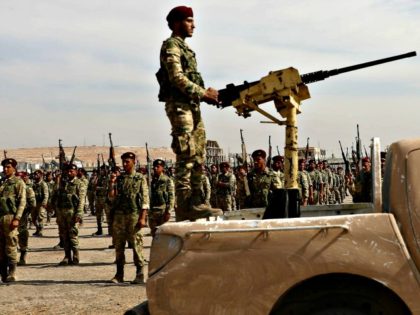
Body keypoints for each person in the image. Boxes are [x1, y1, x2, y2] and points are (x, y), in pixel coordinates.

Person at [157, 5, 221, 221]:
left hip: (192, 106)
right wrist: (204, 94)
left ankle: (197, 201)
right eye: (189, 20)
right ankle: (184, 206)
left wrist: (208, 94)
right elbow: (176, 77)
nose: (194, 25)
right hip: (180, 106)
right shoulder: (171, 46)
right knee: (186, 155)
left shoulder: (185, 49)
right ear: (177, 23)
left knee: (199, 154)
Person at [108, 152, 149, 284]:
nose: (124, 164)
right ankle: (119, 274)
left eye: (127, 162)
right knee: (119, 246)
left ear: (133, 162)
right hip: (120, 216)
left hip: (134, 215)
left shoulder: (140, 178)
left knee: (136, 245)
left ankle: (139, 273)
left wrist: (143, 218)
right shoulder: (120, 179)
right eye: (123, 162)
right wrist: (112, 183)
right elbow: (112, 197)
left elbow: (145, 199)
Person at [0, 158, 26, 282]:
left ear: (14, 168)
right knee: (0, 247)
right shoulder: (2, 182)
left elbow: (22, 202)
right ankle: (3, 273)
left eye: (8, 167)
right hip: (0, 217)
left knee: (10, 245)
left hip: (10, 217)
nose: (6, 169)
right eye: (4, 167)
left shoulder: (18, 182)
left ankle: (12, 272)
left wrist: (17, 218)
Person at [55, 164, 87, 266]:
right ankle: (67, 256)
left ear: (76, 172)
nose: (69, 173)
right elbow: (57, 195)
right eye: (68, 171)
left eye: (71, 171)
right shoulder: (63, 183)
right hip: (62, 213)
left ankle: (76, 256)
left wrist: (79, 214)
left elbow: (82, 200)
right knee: (64, 235)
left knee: (73, 234)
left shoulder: (79, 183)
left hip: (72, 213)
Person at [149, 159, 175, 237]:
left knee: (163, 234)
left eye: (158, 167)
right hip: (153, 210)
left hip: (162, 210)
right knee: (154, 233)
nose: (155, 168)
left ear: (162, 168)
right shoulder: (152, 180)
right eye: (154, 167)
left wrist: (169, 211)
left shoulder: (167, 180)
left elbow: (171, 196)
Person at [16, 171, 36, 266]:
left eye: (20, 178)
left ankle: (23, 256)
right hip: (11, 215)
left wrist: (25, 212)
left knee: (22, 234)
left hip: (22, 215)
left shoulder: (28, 189)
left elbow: (33, 203)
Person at [32, 169, 49, 236]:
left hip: (41, 203)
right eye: (35, 174)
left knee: (40, 217)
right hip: (34, 203)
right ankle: (37, 229)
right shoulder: (34, 184)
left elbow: (46, 194)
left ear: (41, 175)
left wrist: (44, 203)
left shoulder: (43, 184)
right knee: (33, 218)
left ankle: (40, 230)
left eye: (37, 174)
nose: (35, 175)